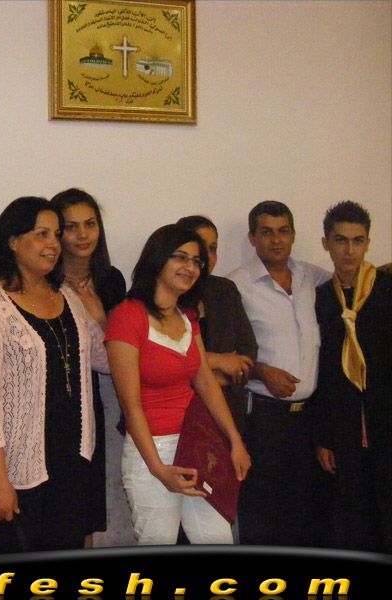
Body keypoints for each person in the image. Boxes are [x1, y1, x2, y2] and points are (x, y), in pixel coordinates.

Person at [0, 197, 109, 552]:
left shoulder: (67, 296)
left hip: (71, 462)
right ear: (13, 241)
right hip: (17, 472)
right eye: (42, 234)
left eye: (56, 234)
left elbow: (104, 360)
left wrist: (100, 317)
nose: (53, 243)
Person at [106, 224, 251, 545]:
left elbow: (206, 383)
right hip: (152, 453)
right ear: (157, 259)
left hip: (195, 446)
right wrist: (158, 468)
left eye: (197, 261)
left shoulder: (187, 318)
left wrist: (234, 441)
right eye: (180, 257)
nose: (190, 267)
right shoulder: (127, 316)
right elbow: (131, 405)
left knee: (218, 541)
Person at [227, 200, 330, 546]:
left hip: (309, 420)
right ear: (252, 238)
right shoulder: (237, 285)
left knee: (307, 515)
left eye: (283, 231)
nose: (276, 240)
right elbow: (224, 354)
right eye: (266, 232)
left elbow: (354, 282)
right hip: (263, 418)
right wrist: (261, 371)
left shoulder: (312, 278)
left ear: (293, 235)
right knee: (262, 514)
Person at [309, 201, 391, 552]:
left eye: (357, 241)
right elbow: (322, 372)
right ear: (326, 243)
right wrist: (323, 436)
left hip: (385, 419)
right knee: (351, 518)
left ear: (368, 243)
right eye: (340, 240)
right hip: (343, 427)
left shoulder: (386, 288)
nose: (349, 250)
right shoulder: (319, 299)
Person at [50, 188, 127, 546]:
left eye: (90, 224)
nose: (83, 235)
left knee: (87, 505)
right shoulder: (45, 281)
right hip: (53, 401)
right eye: (71, 227)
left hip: (97, 399)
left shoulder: (111, 279)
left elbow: (121, 347)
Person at [176, 216, 257, 434]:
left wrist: (217, 378)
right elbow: (162, 358)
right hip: (174, 416)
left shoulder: (225, 290)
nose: (208, 257)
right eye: (201, 247)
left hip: (226, 415)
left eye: (213, 249)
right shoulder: (163, 294)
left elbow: (248, 351)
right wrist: (218, 361)